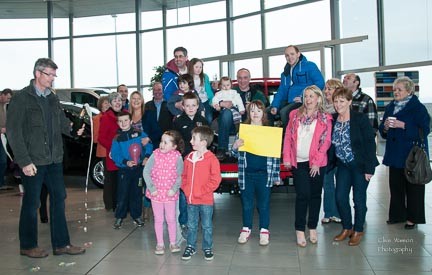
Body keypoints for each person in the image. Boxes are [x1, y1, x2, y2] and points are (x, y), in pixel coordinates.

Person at [6, 57, 85, 258]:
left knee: (60, 199)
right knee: (32, 203)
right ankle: (28, 245)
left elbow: (61, 122)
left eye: (54, 75)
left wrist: (73, 130)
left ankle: (61, 244)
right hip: (33, 161)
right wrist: (24, 161)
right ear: (37, 74)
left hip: (54, 160)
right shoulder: (21, 98)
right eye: (49, 75)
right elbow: (14, 133)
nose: (53, 79)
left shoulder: (52, 97)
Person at [282, 85, 332, 247]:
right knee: (303, 194)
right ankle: (299, 229)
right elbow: (288, 137)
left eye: (311, 96)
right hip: (298, 162)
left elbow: (325, 142)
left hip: (317, 164)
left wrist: (317, 162)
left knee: (315, 195)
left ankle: (312, 227)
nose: (308, 100)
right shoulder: (294, 115)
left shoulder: (325, 118)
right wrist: (287, 157)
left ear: (318, 98)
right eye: (306, 96)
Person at [378, 76, 430, 229]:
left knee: (413, 188)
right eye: (394, 89)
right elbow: (382, 129)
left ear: (409, 91)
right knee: (396, 186)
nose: (396, 92)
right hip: (395, 154)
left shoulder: (418, 108)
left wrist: (404, 126)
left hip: (411, 155)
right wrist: (386, 127)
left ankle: (412, 218)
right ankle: (397, 215)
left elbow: (425, 130)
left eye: (399, 89)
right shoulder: (390, 107)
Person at [330, 87, 379, 246]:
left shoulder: (360, 118)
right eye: (336, 101)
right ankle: (347, 227)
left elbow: (370, 144)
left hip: (360, 165)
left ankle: (358, 230)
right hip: (343, 165)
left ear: (350, 102)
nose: (338, 104)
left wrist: (369, 169)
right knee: (340, 197)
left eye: (342, 101)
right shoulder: (333, 119)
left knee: (358, 199)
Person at [231, 100, 281, 246]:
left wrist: (276, 176)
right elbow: (234, 153)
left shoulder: (269, 131)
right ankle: (246, 228)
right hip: (246, 174)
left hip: (264, 174)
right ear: (248, 113)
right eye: (252, 111)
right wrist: (235, 147)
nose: (255, 114)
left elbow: (275, 156)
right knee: (247, 203)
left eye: (258, 110)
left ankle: (264, 230)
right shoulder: (242, 131)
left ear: (263, 113)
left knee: (263, 204)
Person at [181, 126, 221, 261]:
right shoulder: (188, 158)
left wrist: (200, 191)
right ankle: (190, 245)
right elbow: (183, 176)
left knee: (207, 226)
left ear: (203, 142)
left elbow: (215, 180)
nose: (191, 141)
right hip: (191, 200)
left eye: (194, 139)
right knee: (191, 225)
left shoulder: (212, 159)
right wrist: (186, 189)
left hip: (205, 201)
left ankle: (207, 247)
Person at [172, 92, 209, 242]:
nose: (191, 108)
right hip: (184, 161)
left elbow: (208, 140)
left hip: (200, 161)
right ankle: (184, 222)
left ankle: (198, 221)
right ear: (183, 106)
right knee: (184, 192)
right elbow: (174, 140)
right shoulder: (177, 121)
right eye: (187, 105)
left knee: (199, 191)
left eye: (193, 105)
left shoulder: (203, 121)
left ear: (198, 105)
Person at [143, 130, 184, 255]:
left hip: (170, 194)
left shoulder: (177, 157)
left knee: (171, 219)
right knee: (158, 219)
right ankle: (160, 243)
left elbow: (180, 175)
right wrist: (152, 188)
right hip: (156, 194)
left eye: (166, 142)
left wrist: (174, 189)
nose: (162, 144)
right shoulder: (155, 155)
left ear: (174, 146)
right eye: (161, 141)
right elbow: (146, 172)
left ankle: (173, 242)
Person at [110, 111, 153, 229]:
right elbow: (115, 154)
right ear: (117, 123)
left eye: (126, 120)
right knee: (122, 193)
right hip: (124, 170)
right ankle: (119, 216)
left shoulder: (139, 133)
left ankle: (136, 215)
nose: (123, 123)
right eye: (120, 121)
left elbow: (149, 144)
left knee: (137, 193)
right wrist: (125, 162)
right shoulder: (117, 138)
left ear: (130, 121)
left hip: (138, 170)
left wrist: (146, 157)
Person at [269, 45, 325, 128]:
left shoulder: (309, 66)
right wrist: (275, 105)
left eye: (292, 54)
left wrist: (304, 97)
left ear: (298, 54)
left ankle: (289, 138)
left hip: (302, 101)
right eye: (287, 55)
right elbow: (281, 90)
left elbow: (320, 83)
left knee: (284, 112)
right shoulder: (285, 73)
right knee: (267, 112)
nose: (290, 57)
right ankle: (271, 138)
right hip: (288, 100)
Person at [321, 79, 344, 224]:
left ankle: (339, 213)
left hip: (340, 152)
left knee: (341, 184)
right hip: (325, 152)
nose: (327, 92)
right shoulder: (321, 109)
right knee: (327, 183)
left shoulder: (342, 110)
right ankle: (328, 213)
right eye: (326, 89)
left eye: (330, 89)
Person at [129, 91, 153, 221]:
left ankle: (146, 209)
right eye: (133, 98)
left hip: (146, 153)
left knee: (147, 183)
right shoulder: (127, 115)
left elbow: (156, 132)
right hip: (131, 156)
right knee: (134, 185)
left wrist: (149, 139)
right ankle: (136, 211)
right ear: (130, 101)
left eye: (139, 98)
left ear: (142, 100)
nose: (136, 101)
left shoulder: (148, 115)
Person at [98, 92, 123, 211]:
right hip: (113, 155)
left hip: (126, 155)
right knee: (112, 182)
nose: (118, 103)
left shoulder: (126, 114)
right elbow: (101, 138)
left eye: (119, 100)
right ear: (111, 104)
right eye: (115, 101)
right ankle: (112, 205)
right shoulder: (106, 117)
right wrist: (114, 148)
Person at [144, 82, 173, 149]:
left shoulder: (169, 105)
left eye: (159, 89)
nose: (157, 92)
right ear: (152, 92)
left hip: (166, 139)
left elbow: (172, 123)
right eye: (155, 90)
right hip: (150, 140)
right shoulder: (147, 106)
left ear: (163, 91)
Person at [188, 58, 214, 124]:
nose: (199, 69)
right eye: (196, 67)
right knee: (196, 120)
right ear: (191, 67)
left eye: (200, 67)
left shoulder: (205, 77)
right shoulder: (188, 78)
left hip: (205, 101)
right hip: (194, 102)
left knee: (208, 118)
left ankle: (207, 133)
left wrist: (212, 100)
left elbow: (209, 90)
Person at [0, 88, 13, 190]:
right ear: (2, 95)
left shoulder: (5, 106)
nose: (9, 100)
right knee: (3, 160)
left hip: (3, 136)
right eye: (8, 98)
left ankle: (1, 183)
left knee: (3, 160)